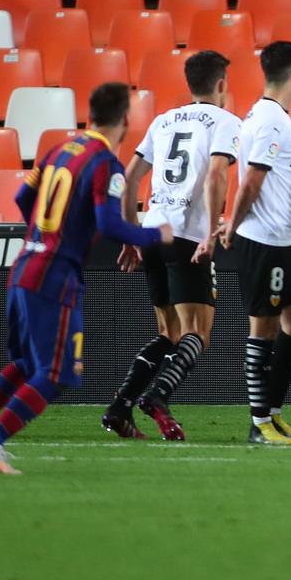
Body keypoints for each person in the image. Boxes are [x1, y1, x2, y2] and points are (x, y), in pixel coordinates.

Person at [0, 83, 170, 474]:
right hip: (54, 275)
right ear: (126, 121)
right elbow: (108, 223)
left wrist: (43, 235)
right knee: (57, 372)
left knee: (26, 361)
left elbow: (21, 198)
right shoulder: (104, 163)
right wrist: (154, 235)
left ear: (90, 114)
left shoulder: (58, 150)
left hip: (24, 267)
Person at [102, 50, 240, 442]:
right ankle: (158, 398)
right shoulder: (226, 121)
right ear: (220, 84)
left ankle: (119, 407)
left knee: (170, 333)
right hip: (187, 234)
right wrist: (210, 231)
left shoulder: (164, 121)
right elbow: (216, 174)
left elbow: (128, 179)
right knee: (198, 332)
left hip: (153, 232)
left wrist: (130, 235)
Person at [217, 42, 291, 446]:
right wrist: (231, 225)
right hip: (265, 240)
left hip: (285, 239)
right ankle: (259, 423)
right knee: (264, 329)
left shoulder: (270, 116)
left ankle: (272, 413)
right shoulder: (272, 121)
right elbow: (252, 181)